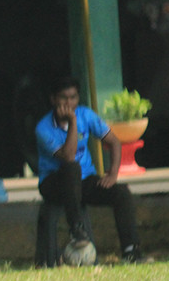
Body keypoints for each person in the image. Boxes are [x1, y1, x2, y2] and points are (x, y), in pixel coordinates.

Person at [35, 76, 145, 264]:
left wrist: (112, 173)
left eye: (73, 97)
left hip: (84, 181)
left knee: (121, 194)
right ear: (53, 100)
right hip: (54, 183)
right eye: (64, 98)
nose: (69, 103)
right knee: (72, 168)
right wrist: (72, 122)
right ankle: (77, 230)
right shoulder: (43, 128)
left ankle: (131, 251)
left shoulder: (86, 114)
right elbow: (68, 157)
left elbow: (113, 141)